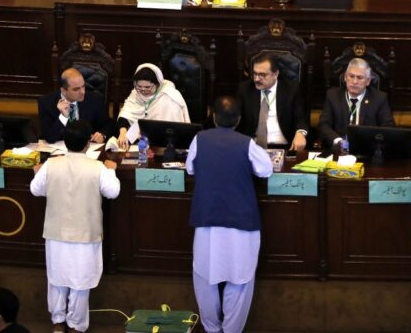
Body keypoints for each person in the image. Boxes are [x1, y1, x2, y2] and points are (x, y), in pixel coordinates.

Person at [187, 95, 273, 333]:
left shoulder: (199, 139)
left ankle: (211, 328)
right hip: (242, 223)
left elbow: (189, 167)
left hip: (207, 222)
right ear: (239, 119)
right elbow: (266, 170)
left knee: (205, 277)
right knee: (240, 279)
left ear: (213, 117)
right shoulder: (247, 143)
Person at [30, 120, 120, 333]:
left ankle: (58, 322)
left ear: (65, 142)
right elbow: (113, 192)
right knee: (80, 283)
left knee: (57, 279)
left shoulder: (51, 164)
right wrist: (112, 170)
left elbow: (36, 189)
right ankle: (76, 326)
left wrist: (38, 172)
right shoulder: (97, 167)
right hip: (85, 234)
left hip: (56, 232)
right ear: (88, 143)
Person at [237, 51, 309, 151]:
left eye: (262, 75)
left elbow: (301, 119)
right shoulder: (245, 89)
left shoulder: (291, 90)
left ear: (275, 74)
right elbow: (236, 120)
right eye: (255, 74)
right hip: (253, 149)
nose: (256, 79)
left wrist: (300, 134)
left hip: (285, 148)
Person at [318, 58, 395, 150]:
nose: (354, 82)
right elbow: (324, 124)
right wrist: (338, 141)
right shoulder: (332, 96)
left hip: (368, 150)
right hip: (339, 150)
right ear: (345, 77)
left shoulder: (379, 98)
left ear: (368, 81)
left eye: (360, 77)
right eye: (351, 76)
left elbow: (389, 128)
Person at [114, 63, 190, 149]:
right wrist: (123, 131)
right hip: (138, 144)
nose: (143, 90)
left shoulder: (170, 96)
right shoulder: (135, 93)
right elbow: (125, 114)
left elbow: (175, 128)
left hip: (163, 145)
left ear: (157, 84)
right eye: (139, 86)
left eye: (147, 87)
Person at [38, 68, 111, 145]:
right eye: (76, 89)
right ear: (63, 91)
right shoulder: (46, 103)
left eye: (83, 86)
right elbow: (49, 137)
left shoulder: (95, 100)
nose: (82, 92)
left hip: (87, 149)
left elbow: (107, 124)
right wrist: (63, 117)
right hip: (59, 151)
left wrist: (103, 135)